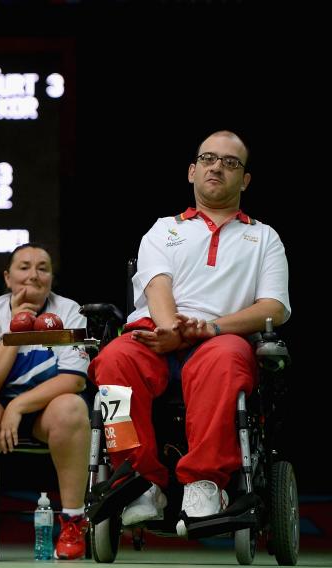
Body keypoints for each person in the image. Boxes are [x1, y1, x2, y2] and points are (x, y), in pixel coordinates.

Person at [89, 130, 290, 535]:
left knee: (225, 357)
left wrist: (210, 328)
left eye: (231, 162)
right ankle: (138, 480)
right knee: (112, 360)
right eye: (209, 159)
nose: (218, 167)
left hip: (219, 338)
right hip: (156, 333)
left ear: (245, 180)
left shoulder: (264, 238)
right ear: (192, 171)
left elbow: (274, 307)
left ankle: (204, 484)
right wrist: (172, 330)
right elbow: (157, 288)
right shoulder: (163, 230)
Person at [0, 243, 91, 559]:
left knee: (72, 407)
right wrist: (15, 327)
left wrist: (19, 406)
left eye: (43, 268)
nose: (33, 276)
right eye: (24, 267)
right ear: (8, 278)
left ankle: (74, 521)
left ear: (51, 278)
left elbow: (73, 379)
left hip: (43, 412)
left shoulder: (69, 311)